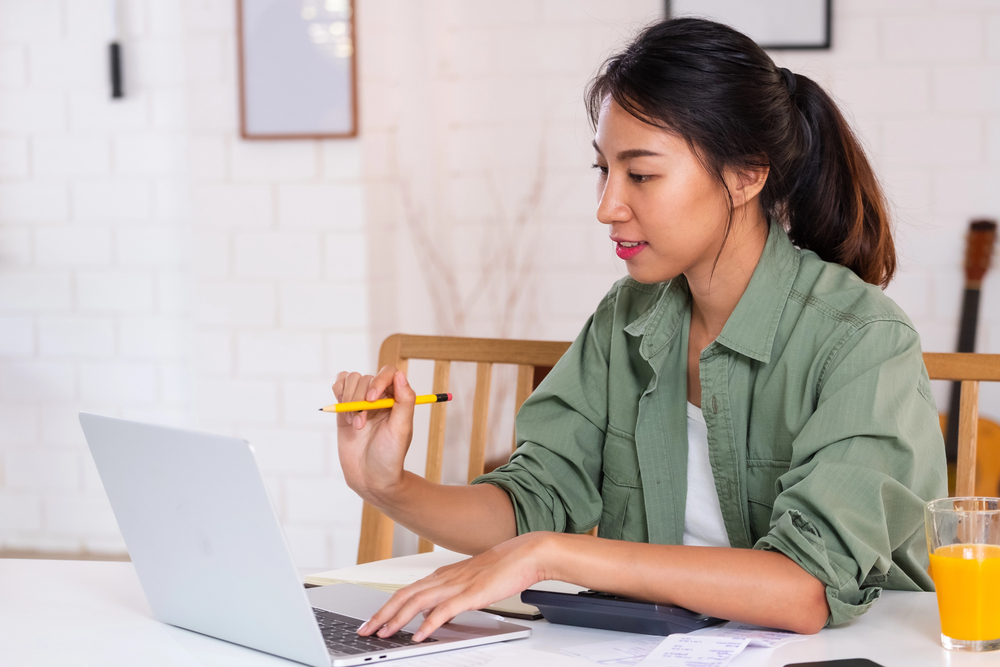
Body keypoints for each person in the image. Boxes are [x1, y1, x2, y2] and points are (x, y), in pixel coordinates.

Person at [333, 18, 946, 642]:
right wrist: (388, 484)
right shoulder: (627, 316)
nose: (607, 206)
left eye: (642, 174)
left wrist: (553, 555)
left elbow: (804, 590)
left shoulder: (863, 338)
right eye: (604, 170)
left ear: (745, 175)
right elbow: (530, 505)